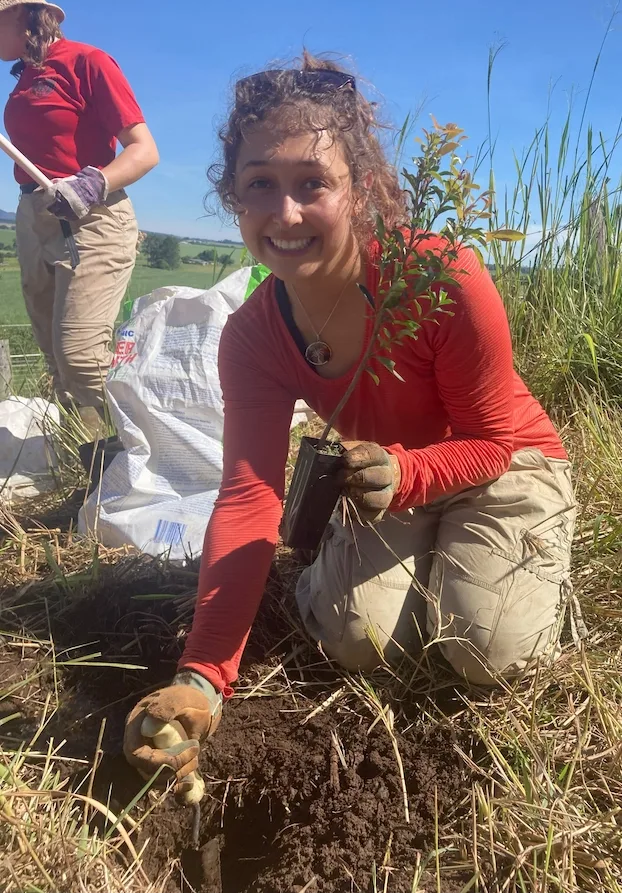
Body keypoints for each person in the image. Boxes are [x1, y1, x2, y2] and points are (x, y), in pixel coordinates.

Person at [123, 54, 576, 790]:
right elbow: (249, 495)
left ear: (359, 189)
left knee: (485, 647)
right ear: (233, 197)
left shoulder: (440, 279)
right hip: (384, 478)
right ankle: (420, 564)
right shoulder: (253, 336)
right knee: (355, 638)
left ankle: (531, 568)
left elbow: (492, 440)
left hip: (502, 463)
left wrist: (410, 472)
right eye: (260, 184)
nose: (286, 213)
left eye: (313, 183)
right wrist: (202, 674)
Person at [0, 0, 158, 432]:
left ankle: (138, 451)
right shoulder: (24, 79)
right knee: (54, 356)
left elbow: (145, 151)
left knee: (81, 357)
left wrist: (90, 185)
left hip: (91, 217)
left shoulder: (88, 62)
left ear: (20, 14)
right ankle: (83, 458)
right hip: (34, 216)